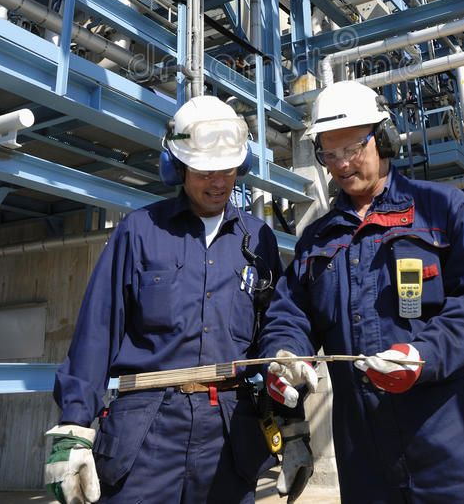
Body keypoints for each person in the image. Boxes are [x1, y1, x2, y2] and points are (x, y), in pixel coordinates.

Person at [259, 80, 464, 504]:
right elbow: (292, 313)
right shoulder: (317, 240)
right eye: (329, 153)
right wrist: (286, 353)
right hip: (365, 452)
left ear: (384, 139)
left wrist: (423, 354)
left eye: (353, 149)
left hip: (451, 441)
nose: (340, 165)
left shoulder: (442, 210)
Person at [45, 95, 287, 504]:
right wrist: (73, 428)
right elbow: (97, 332)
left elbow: (278, 331)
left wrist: (293, 425)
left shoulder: (258, 239)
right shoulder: (139, 231)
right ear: (177, 168)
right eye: (205, 171)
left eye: (227, 170)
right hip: (146, 433)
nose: (218, 182)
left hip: (230, 432)